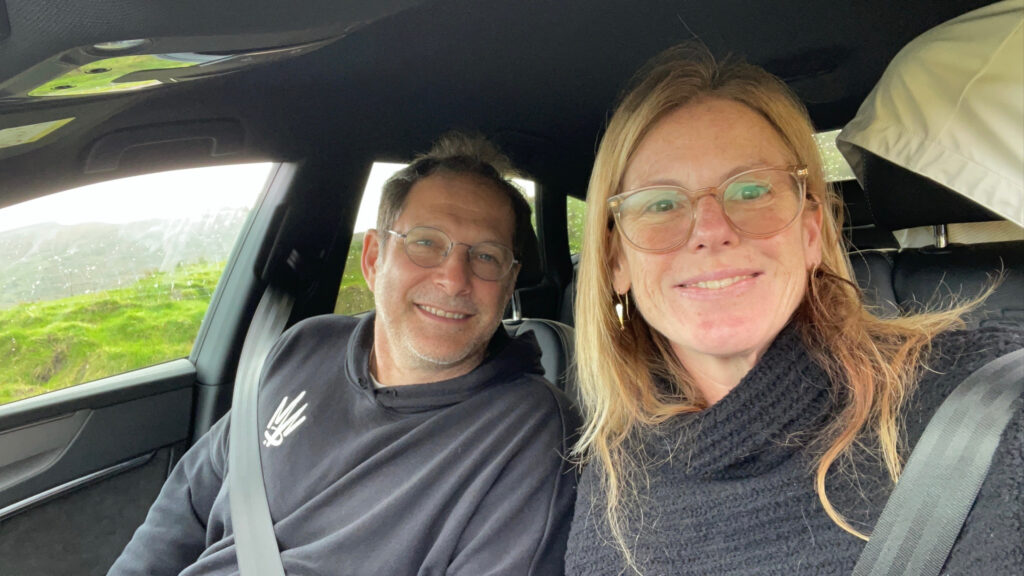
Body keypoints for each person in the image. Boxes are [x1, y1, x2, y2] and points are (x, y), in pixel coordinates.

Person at [563, 43, 1023, 575]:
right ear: (616, 261)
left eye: (752, 189)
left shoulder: (982, 405)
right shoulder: (612, 467)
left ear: (809, 234)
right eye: (661, 204)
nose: (712, 230)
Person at [110, 133, 580, 575]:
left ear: (510, 282)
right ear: (374, 258)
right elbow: (189, 499)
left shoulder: (531, 435)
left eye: (486, 256)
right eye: (425, 244)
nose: (454, 279)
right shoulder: (303, 347)